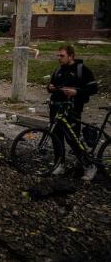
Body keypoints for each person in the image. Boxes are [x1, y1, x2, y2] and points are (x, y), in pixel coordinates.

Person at [47, 45, 98, 180]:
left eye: (62, 56)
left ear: (71, 56)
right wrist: (50, 88)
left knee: (73, 139)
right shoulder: (58, 70)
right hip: (56, 109)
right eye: (58, 55)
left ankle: (88, 166)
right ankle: (60, 164)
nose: (59, 58)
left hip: (73, 110)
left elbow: (94, 88)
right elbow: (50, 85)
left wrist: (77, 92)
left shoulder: (82, 70)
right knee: (56, 138)